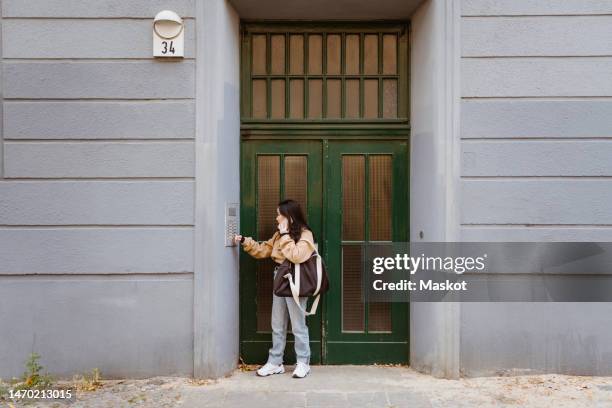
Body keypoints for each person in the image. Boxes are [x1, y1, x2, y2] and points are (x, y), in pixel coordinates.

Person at [234, 199, 315, 379]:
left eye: (279, 214)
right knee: (277, 324)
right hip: (280, 279)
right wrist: (245, 242)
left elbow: (296, 256)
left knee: (298, 325)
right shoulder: (278, 235)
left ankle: (303, 362)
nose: (276, 217)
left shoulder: (305, 234)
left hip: (296, 282)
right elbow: (264, 250)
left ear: (289, 217)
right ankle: (275, 362)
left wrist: (286, 234)